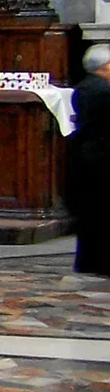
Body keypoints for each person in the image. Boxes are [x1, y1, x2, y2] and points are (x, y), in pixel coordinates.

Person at [67, 44, 110, 274]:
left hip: (86, 155)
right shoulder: (104, 91)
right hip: (103, 156)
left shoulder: (82, 88)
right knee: (102, 213)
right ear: (106, 67)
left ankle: (87, 261)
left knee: (90, 213)